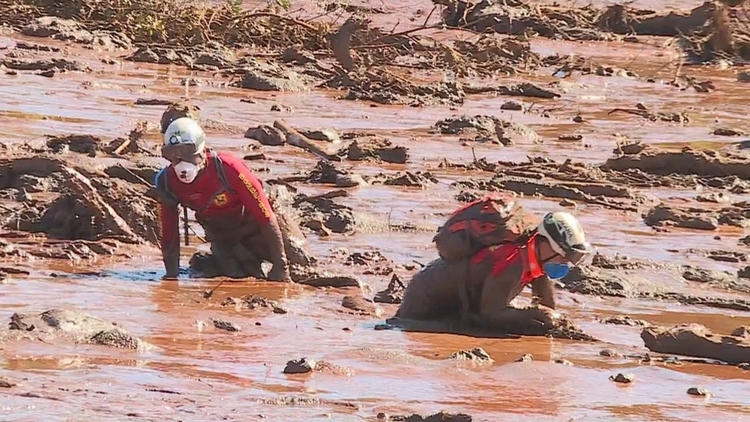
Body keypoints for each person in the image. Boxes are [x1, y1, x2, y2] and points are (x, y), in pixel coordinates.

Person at [392, 211, 593, 331]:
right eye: (565, 256)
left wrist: (548, 318)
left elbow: (548, 308)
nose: (566, 263)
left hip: (453, 299)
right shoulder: (512, 261)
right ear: (546, 245)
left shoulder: (536, 260)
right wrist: (535, 314)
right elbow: (491, 313)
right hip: (423, 302)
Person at [153, 116, 291, 281]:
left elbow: (265, 215)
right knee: (235, 276)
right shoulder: (167, 182)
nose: (181, 163)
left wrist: (281, 264)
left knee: (299, 264)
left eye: (188, 153)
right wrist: (171, 277)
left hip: (261, 229)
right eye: (172, 155)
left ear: (201, 150)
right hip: (225, 238)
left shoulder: (229, 168)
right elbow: (170, 233)